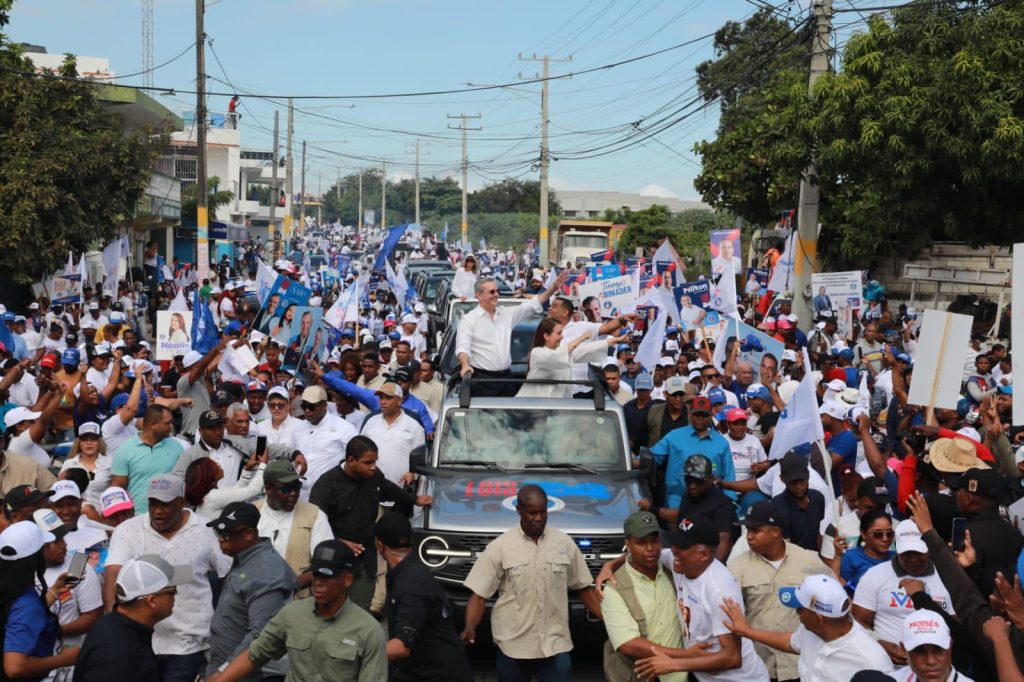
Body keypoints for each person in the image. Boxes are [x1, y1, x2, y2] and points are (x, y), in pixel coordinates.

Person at [460, 484, 601, 679]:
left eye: (543, 511)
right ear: (519, 510)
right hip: (513, 648)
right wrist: (470, 627)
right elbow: (479, 596)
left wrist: (611, 623)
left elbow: (584, 589)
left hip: (555, 645)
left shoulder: (564, 543)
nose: (539, 518)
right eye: (532, 513)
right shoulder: (500, 547)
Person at [103, 474, 231, 682]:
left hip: (189, 644)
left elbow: (229, 577)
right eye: (153, 504)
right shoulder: (128, 530)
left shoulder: (207, 531)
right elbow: (113, 576)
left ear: (181, 502)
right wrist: (114, 627)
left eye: (165, 504)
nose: (157, 511)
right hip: (139, 643)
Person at [206, 540, 387, 682]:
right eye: (315, 574)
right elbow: (255, 654)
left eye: (327, 576)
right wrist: (221, 678)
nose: (318, 582)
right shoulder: (292, 614)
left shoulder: (368, 630)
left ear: (347, 580)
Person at [631, 514, 770, 681]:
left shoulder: (720, 590)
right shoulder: (680, 561)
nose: (673, 550)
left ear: (703, 555)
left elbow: (733, 657)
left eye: (681, 547)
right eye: (674, 543)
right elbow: (646, 554)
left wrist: (673, 664)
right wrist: (609, 567)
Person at [309, 436, 431, 613]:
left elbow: (387, 489)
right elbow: (314, 523)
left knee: (358, 612)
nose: (373, 467)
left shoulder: (374, 477)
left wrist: (415, 499)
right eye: (368, 463)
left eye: (375, 462)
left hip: (365, 561)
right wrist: (339, 541)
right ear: (351, 461)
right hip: (333, 563)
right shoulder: (327, 486)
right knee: (330, 612)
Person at [727, 501, 833, 681]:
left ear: (775, 532)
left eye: (755, 530)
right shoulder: (737, 567)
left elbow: (832, 597)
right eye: (748, 531)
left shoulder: (809, 561)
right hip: (760, 666)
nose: (749, 537)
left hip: (801, 664)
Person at [722, 573, 894, 681]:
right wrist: (747, 631)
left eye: (799, 609)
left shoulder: (872, 662)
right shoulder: (811, 630)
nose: (796, 613)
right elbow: (790, 642)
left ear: (818, 618)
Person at [375, 512, 473, 682]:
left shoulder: (410, 585)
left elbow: (401, 647)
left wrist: (359, 656)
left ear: (379, 544)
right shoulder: (409, 570)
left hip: (438, 675)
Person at [204, 502, 295, 681]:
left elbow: (258, 637)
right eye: (218, 533)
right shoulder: (246, 558)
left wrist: (223, 673)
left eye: (227, 534)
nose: (220, 539)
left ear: (248, 535)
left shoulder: (266, 572)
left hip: (253, 675)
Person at [599, 511, 689, 682]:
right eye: (641, 543)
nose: (650, 549)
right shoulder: (615, 587)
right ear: (628, 544)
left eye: (654, 541)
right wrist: (686, 656)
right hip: (641, 676)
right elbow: (628, 644)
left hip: (682, 676)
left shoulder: (674, 570)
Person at [852, 519, 955, 666]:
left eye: (919, 553)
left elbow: (956, 625)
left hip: (934, 667)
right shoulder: (875, 575)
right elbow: (858, 621)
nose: (913, 559)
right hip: (888, 665)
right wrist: (880, 643)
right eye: (907, 553)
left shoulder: (947, 576)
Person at [71, 554, 188, 682]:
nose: (175, 596)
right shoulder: (122, 656)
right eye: (172, 591)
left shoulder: (112, 625)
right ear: (152, 601)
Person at [455, 272, 566, 397]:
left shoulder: (506, 314)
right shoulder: (469, 320)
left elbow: (533, 304)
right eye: (492, 292)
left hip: (506, 379)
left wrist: (553, 287)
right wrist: (465, 365)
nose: (496, 295)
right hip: (482, 381)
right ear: (479, 295)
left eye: (497, 291)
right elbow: (463, 347)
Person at [0, 521, 80, 680]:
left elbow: (13, 615)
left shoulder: (10, 587)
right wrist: (63, 659)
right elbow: (15, 668)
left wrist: (55, 590)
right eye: (43, 548)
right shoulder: (26, 604)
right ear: (35, 558)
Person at [32, 508, 102, 667]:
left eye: (62, 537)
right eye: (55, 541)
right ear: (37, 545)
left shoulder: (77, 565)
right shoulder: (20, 571)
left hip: (69, 667)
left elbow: (93, 617)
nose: (63, 545)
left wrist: (55, 631)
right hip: (31, 666)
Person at [255, 461, 332, 592]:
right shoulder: (251, 513)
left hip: (298, 600)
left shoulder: (315, 515)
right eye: (286, 489)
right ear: (268, 488)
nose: (293, 494)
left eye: (297, 487)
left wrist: (294, 585)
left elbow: (326, 560)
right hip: (255, 596)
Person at [649, 396, 736, 511]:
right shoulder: (674, 436)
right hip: (677, 502)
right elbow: (652, 457)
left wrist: (728, 505)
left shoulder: (722, 443)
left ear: (711, 416)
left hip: (710, 505)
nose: (700, 418)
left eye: (704, 415)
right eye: (697, 414)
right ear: (690, 414)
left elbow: (728, 477)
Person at [516, 318, 622, 399]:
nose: (562, 336)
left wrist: (613, 341)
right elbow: (555, 357)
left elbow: (582, 350)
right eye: (558, 333)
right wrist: (582, 338)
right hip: (531, 405)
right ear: (546, 336)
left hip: (555, 408)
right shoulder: (537, 353)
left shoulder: (562, 352)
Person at [110, 406, 183, 515]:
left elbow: (183, 480)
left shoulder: (177, 446)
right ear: (153, 425)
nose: (171, 426)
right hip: (138, 518)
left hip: (172, 516)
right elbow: (118, 488)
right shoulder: (124, 450)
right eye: (167, 423)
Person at [291, 385, 356, 496]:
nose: (307, 410)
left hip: (330, 493)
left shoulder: (345, 428)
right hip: (300, 493)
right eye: (304, 406)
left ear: (324, 405)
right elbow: (291, 456)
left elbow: (355, 461)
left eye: (311, 406)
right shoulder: (297, 428)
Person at [357, 381, 425, 487]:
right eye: (381, 398)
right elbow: (359, 451)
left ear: (400, 400)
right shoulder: (371, 421)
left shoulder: (414, 426)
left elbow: (421, 460)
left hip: (401, 490)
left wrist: (413, 474)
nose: (383, 402)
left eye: (388, 398)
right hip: (370, 490)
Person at [891, 609, 975, 682]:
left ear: (950, 646)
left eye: (938, 650)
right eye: (920, 651)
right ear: (904, 650)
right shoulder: (892, 679)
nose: (930, 661)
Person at [769, 452, 827, 552]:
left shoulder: (818, 498)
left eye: (801, 481)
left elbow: (818, 532)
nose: (798, 486)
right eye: (792, 482)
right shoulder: (777, 506)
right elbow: (785, 547)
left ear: (808, 475)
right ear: (782, 479)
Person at [183, 452, 266, 521]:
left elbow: (237, 488)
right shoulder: (213, 497)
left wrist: (248, 468)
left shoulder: (210, 494)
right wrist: (263, 465)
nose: (218, 465)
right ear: (208, 474)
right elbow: (252, 491)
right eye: (215, 465)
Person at [838, 509, 896, 595]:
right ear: (863, 534)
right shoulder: (850, 557)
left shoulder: (898, 558)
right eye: (878, 534)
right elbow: (839, 588)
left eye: (889, 533)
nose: (885, 539)